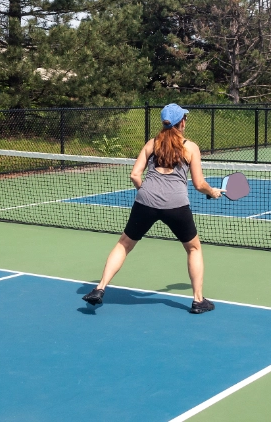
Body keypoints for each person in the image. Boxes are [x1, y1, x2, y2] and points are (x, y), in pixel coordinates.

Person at [82, 103, 223, 314]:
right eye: (185, 118)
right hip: (176, 205)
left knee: (124, 245)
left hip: (145, 202)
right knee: (193, 248)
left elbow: (135, 175)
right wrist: (212, 192)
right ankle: (198, 300)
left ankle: (100, 288)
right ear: (181, 122)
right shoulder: (190, 147)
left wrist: (147, 193)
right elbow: (199, 184)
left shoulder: (152, 144)